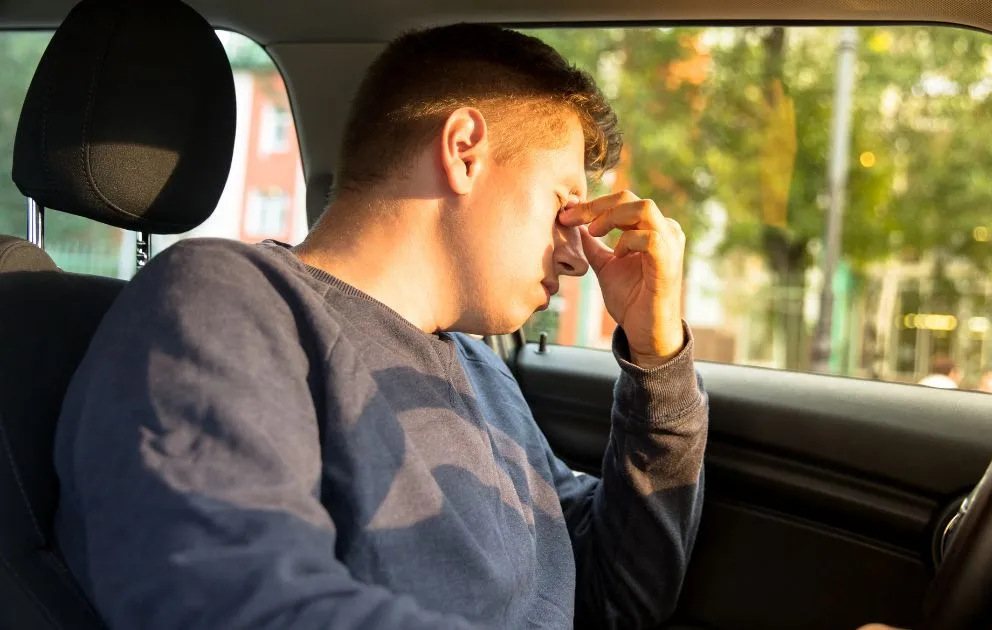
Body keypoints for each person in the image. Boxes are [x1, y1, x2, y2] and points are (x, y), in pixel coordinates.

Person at [54, 24, 708, 630]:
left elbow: (614, 596)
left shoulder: (482, 372)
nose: (577, 253)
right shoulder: (224, 302)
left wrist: (657, 359)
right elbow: (237, 596)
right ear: (463, 151)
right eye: (565, 204)